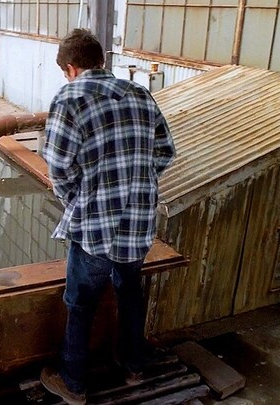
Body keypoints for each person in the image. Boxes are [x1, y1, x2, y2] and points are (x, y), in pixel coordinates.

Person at [40, 28, 176, 405]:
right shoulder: (140, 94)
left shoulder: (69, 97)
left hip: (94, 228)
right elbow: (165, 152)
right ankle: (134, 367)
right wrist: (136, 186)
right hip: (138, 225)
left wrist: (79, 200)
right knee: (130, 293)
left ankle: (74, 384)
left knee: (80, 301)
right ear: (101, 61)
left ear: (70, 68)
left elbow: (58, 166)